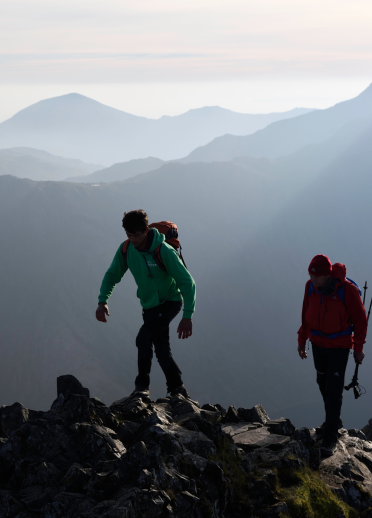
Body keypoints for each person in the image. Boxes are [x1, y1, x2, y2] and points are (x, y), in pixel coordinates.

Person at [96, 210, 196, 399]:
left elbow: (187, 282)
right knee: (161, 348)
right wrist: (103, 301)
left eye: (135, 235)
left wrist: (187, 316)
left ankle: (141, 387)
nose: (132, 239)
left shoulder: (163, 250)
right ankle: (177, 388)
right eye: (128, 235)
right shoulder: (126, 249)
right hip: (149, 305)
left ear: (146, 230)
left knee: (143, 338)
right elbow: (112, 275)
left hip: (170, 301)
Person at [297, 254, 367, 456]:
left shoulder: (347, 291)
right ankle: (333, 420)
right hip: (317, 343)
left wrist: (359, 348)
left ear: (328, 275)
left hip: (339, 346)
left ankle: (330, 438)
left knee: (333, 390)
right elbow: (306, 315)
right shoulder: (310, 288)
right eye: (310, 275)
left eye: (317, 276)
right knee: (322, 382)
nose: (313, 280)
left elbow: (360, 320)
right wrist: (302, 340)